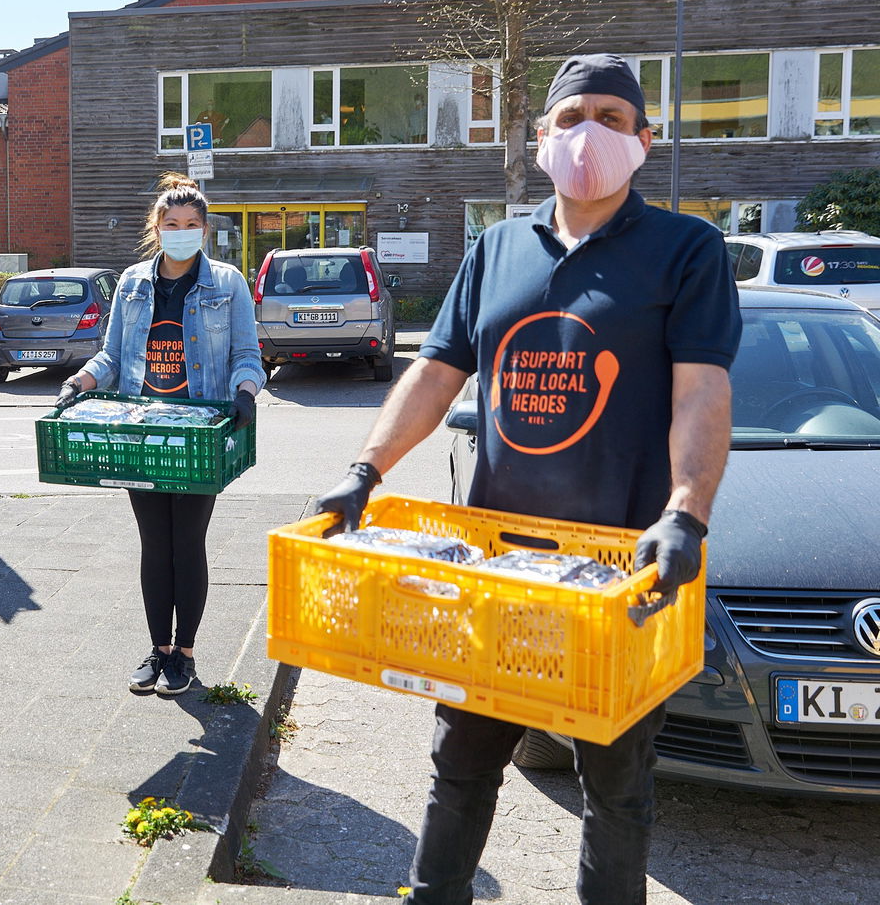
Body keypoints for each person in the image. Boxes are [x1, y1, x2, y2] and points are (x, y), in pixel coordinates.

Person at [314, 54, 741, 905]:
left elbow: (702, 390)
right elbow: (436, 373)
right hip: (498, 566)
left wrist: (686, 512)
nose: (591, 134)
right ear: (541, 136)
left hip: (618, 576)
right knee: (461, 762)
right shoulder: (497, 247)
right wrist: (365, 469)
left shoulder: (684, 249)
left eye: (613, 120)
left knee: (615, 787)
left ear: (644, 143)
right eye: (573, 116)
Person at [57, 172, 264, 696]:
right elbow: (111, 356)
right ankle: (159, 649)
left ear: (204, 229)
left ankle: (186, 653)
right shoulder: (130, 284)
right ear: (157, 227)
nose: (181, 231)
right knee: (154, 544)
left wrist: (244, 393)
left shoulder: (228, 283)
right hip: (141, 434)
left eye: (192, 224)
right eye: (172, 223)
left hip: (199, 433)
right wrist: (79, 380)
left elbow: (247, 356)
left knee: (187, 543)